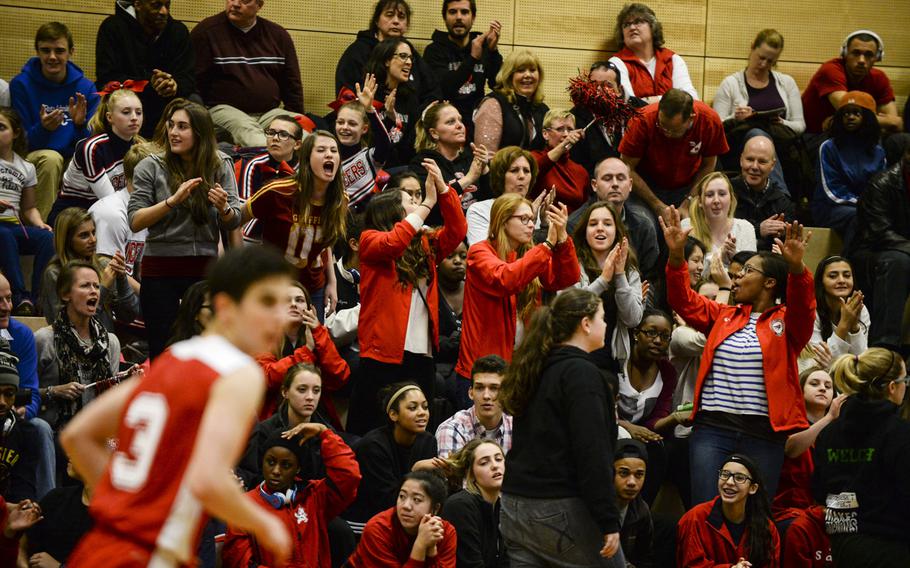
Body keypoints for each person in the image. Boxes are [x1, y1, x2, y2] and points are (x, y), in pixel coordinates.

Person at [61, 246, 295, 567]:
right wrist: (265, 523)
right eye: (266, 301)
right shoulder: (240, 373)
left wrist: (123, 503)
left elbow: (78, 435)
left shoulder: (173, 358)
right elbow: (207, 479)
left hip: (101, 547)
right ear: (225, 307)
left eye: (285, 304)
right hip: (148, 553)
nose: (281, 317)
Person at [662, 206, 815, 504]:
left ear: (769, 283)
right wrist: (676, 256)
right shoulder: (723, 314)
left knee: (754, 515)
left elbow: (804, 306)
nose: (737, 278)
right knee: (706, 510)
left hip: (764, 435)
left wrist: (797, 268)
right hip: (713, 429)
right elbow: (681, 299)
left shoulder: (788, 322)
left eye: (747, 272)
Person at [498, 288, 623, 566]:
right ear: (586, 324)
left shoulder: (534, 366)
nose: (606, 325)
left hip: (514, 506)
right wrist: (607, 518)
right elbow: (592, 452)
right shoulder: (582, 374)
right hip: (557, 507)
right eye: (603, 318)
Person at [347, 161, 467, 435]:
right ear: (392, 211)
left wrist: (444, 191)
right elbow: (393, 243)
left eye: (417, 199)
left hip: (421, 353)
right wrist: (427, 205)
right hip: (383, 354)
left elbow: (458, 231)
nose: (417, 202)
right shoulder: (369, 240)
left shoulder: (424, 244)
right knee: (374, 427)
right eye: (409, 200)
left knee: (417, 430)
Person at [129, 98, 241, 359]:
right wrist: (172, 201)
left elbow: (234, 219)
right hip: (160, 270)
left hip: (204, 270)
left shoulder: (219, 164)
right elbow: (135, 220)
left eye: (182, 127)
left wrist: (223, 208)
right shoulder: (151, 166)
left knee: (206, 350)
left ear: (199, 133)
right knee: (162, 351)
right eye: (171, 126)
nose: (173, 133)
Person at [456, 193, 580, 407]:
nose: (531, 225)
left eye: (532, 219)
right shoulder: (479, 252)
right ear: (503, 221)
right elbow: (506, 279)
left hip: (517, 368)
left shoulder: (525, 254)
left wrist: (562, 241)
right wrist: (548, 245)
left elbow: (563, 278)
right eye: (524, 219)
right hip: (481, 371)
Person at [813, 348, 910, 567]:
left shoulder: (829, 433)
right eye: (905, 380)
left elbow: (820, 491)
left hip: (841, 545)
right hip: (892, 546)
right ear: (893, 387)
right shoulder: (900, 434)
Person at [223, 424, 361, 568]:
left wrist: (325, 434)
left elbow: (349, 476)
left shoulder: (314, 495)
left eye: (286, 465)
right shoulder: (244, 506)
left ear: (298, 468)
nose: (276, 471)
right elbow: (238, 561)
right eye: (270, 462)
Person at [244, 130, 346, 322]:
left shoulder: (340, 200)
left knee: (312, 346)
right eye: (322, 150)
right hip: (273, 282)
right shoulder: (277, 191)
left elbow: (325, 241)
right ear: (307, 159)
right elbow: (233, 220)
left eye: (334, 150)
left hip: (313, 285)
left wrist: (332, 282)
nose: (329, 154)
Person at [10, 22, 101, 219]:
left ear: (71, 52)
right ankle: (43, 233)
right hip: (33, 157)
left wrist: (78, 127)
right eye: (45, 50)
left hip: (71, 156)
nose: (52, 57)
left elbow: (90, 147)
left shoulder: (86, 88)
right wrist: (44, 129)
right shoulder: (21, 85)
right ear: (37, 51)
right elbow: (18, 144)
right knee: (51, 159)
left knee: (87, 164)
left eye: (59, 51)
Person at [191, 0, 305, 147]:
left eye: (244, 0)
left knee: (307, 139)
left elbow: (292, 85)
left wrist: (294, 119)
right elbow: (193, 83)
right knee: (251, 134)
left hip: (268, 113)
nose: (236, 4)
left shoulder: (278, 35)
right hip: (222, 110)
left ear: (259, 5)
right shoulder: (206, 32)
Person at [713, 29, 806, 196]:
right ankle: (780, 197)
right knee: (757, 133)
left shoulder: (787, 83)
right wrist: (736, 117)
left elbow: (800, 125)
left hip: (780, 144)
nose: (763, 64)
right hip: (740, 146)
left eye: (770, 61)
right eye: (761, 58)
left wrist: (781, 122)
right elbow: (715, 125)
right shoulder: (730, 83)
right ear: (752, 49)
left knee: (766, 139)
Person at [35, 260, 124, 435]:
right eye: (85, 286)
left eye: (96, 286)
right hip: (56, 432)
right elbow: (23, 393)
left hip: (96, 432)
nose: (93, 291)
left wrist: (125, 382)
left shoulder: (110, 342)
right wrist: (53, 391)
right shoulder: (44, 339)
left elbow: (109, 398)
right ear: (65, 294)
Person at [343, 383, 438, 535]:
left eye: (425, 407)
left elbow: (428, 494)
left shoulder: (428, 441)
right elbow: (387, 501)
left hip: (406, 514)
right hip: (366, 520)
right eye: (413, 408)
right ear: (393, 414)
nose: (422, 413)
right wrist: (415, 471)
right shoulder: (373, 445)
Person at [95, 0, 196, 139]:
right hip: (127, 101)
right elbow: (106, 77)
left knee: (195, 103)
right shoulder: (112, 27)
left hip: (167, 105)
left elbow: (188, 77)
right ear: (137, 4)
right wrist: (150, 83)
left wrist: (174, 85)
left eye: (167, 6)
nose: (164, 12)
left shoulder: (178, 31)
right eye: (156, 5)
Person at [619, 89, 728, 217]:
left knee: (700, 223)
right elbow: (626, 166)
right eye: (661, 126)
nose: (666, 132)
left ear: (691, 118)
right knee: (645, 224)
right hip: (647, 187)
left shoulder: (709, 120)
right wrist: (657, 205)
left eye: (673, 130)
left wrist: (689, 202)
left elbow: (708, 165)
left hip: (689, 186)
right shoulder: (642, 120)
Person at [50, 83, 145, 223]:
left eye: (138, 112)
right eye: (126, 112)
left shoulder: (140, 147)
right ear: (109, 117)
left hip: (110, 216)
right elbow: (110, 201)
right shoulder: (92, 148)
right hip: (72, 218)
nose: (134, 117)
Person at [849, 142, 910, 351]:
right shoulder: (881, 184)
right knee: (898, 262)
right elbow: (880, 233)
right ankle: (885, 346)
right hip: (871, 252)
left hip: (902, 250)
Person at [41, 207, 140, 331]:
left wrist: (122, 280)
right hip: (72, 348)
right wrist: (102, 288)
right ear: (67, 240)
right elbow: (69, 325)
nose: (93, 240)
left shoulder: (102, 266)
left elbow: (128, 316)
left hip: (106, 344)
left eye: (93, 232)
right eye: (84, 236)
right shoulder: (55, 273)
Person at [677, 453, 780, 568]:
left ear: (753, 488)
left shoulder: (767, 528)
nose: (730, 482)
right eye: (725, 475)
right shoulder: (695, 518)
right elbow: (691, 565)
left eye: (739, 477)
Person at [571, 201, 643, 364]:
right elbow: (570, 310)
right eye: (593, 224)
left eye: (608, 223)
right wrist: (603, 280)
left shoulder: (629, 271)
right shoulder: (573, 266)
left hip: (612, 361)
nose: (600, 228)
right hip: (576, 356)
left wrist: (619, 275)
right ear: (585, 231)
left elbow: (632, 319)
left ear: (617, 231)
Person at [811, 91, 885, 249]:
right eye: (846, 114)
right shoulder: (828, 147)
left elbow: (881, 188)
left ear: (868, 117)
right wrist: (863, 205)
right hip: (831, 208)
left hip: (866, 207)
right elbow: (832, 191)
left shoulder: (878, 151)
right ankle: (850, 264)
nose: (850, 117)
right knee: (858, 217)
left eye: (856, 113)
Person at [334, 0, 439, 110]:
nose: (396, 21)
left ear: (407, 25)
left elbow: (433, 91)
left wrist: (418, 116)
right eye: (389, 15)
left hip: (405, 121)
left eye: (401, 17)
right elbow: (345, 94)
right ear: (376, 20)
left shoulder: (412, 55)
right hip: (366, 117)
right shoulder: (358, 51)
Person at [569, 157, 659, 283]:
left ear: (630, 185)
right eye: (607, 178)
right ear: (594, 185)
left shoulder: (643, 224)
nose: (615, 184)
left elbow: (651, 278)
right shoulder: (576, 224)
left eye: (621, 178)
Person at [0, 107, 54, 316]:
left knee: (47, 238)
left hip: (14, 225)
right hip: (2, 231)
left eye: (2, 127)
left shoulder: (26, 167)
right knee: (4, 235)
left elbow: (29, 208)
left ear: (15, 133)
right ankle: (18, 295)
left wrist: (40, 223)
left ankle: (38, 298)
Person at [346, 470, 457, 567]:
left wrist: (431, 551)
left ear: (435, 508)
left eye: (417, 500)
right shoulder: (378, 528)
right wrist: (420, 545)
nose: (406, 506)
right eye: (402, 496)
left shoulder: (445, 532)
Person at [801, 30, 901, 137]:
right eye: (856, 53)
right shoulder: (830, 70)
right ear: (845, 54)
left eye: (868, 55)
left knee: (900, 139)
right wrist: (884, 121)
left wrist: (887, 123)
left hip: (857, 134)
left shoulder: (879, 77)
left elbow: (895, 124)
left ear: (877, 57)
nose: (862, 60)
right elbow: (849, 111)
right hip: (817, 136)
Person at [423, 0, 503, 132]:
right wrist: (472, 58)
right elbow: (444, 89)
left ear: (473, 18)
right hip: (446, 126)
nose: (458, 17)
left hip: (478, 123)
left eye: (464, 12)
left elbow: (499, 86)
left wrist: (493, 51)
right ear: (444, 17)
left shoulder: (484, 47)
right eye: (453, 12)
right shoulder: (434, 51)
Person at [773, 366, 844, 515]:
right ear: (800, 390)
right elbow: (791, 449)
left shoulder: (838, 432)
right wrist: (829, 417)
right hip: (789, 510)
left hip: (827, 510)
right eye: (814, 383)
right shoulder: (789, 422)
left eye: (828, 386)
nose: (822, 389)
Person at [410, 100, 491, 217]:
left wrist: (484, 170)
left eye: (460, 120)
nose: (460, 125)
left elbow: (491, 200)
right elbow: (432, 209)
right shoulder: (423, 164)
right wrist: (469, 178)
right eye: (450, 122)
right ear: (434, 133)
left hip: (479, 225)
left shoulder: (471, 157)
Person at [89, 141, 155, 282]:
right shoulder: (112, 213)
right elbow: (107, 273)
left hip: (127, 293)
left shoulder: (147, 210)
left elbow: (137, 272)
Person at [609, 3, 698, 103]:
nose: (632, 27)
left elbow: (692, 99)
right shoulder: (616, 63)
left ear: (653, 27)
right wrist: (672, 100)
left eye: (638, 22)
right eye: (626, 25)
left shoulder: (672, 59)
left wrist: (650, 100)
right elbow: (630, 104)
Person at [235, 114, 304, 244]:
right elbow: (242, 214)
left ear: (297, 144)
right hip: (253, 239)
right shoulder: (253, 165)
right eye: (271, 133)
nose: (275, 139)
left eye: (283, 134)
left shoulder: (304, 171)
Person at [570, 61, 647, 176]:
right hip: (592, 184)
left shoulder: (640, 110)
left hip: (635, 180)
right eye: (594, 85)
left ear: (619, 89)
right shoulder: (577, 115)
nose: (600, 92)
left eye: (607, 86)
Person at [441, 439, 507, 568]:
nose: (495, 465)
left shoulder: (502, 507)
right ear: (471, 473)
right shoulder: (460, 506)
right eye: (484, 462)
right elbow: (470, 564)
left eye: (498, 459)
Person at [363, 38, 426, 167]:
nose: (409, 62)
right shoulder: (369, 93)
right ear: (386, 60)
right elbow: (366, 142)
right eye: (403, 56)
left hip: (399, 169)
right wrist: (388, 119)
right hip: (370, 167)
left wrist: (395, 122)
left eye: (410, 58)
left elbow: (410, 147)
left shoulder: (410, 97)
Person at [681, 172, 758, 276]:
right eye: (709, 195)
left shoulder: (745, 228)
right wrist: (719, 257)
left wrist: (735, 257)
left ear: (731, 198)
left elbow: (751, 276)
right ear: (700, 201)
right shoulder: (687, 227)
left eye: (722, 194)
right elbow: (687, 276)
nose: (716, 200)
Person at [435, 355, 512, 459]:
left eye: (494, 388)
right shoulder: (452, 429)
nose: (486, 396)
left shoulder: (516, 427)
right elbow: (453, 475)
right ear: (471, 393)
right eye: (479, 388)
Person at [473, 48, 549, 153]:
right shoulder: (493, 104)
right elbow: (485, 156)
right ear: (509, 76)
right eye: (521, 70)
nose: (527, 75)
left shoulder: (543, 109)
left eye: (532, 70)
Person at [334, 78, 393, 213]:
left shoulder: (370, 157)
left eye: (352, 124)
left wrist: (370, 111)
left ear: (364, 129)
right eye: (340, 122)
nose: (345, 127)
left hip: (367, 223)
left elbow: (385, 144)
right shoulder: (328, 156)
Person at [801, 256, 869, 371]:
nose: (842, 280)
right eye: (833, 276)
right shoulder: (811, 309)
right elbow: (818, 363)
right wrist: (844, 324)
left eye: (847, 275)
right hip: (814, 376)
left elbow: (861, 362)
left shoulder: (860, 308)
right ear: (821, 281)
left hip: (847, 375)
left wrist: (854, 327)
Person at [729, 136, 796, 251]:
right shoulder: (725, 192)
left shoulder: (782, 202)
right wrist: (758, 229)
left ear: (773, 165)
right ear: (741, 160)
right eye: (750, 159)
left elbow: (785, 247)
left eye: (762, 161)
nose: (754, 167)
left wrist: (781, 234)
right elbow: (717, 231)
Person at [24, 460, 94, 568]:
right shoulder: (56, 498)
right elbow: (24, 543)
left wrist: (60, 567)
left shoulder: (117, 517)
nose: (69, 454)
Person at [465, 146, 537, 246]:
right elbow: (481, 254)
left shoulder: (536, 211)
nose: (522, 176)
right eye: (514, 170)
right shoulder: (479, 210)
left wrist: (543, 225)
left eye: (526, 171)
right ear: (500, 176)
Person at [0, 339, 40, 502]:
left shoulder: (26, 432)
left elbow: (24, 486)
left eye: (9, 394)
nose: (2, 402)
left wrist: (23, 508)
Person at [530, 109, 589, 213]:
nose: (566, 134)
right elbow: (535, 171)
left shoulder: (581, 171)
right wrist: (563, 145)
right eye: (560, 129)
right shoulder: (534, 158)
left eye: (570, 129)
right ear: (545, 134)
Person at [613, 439, 654, 568]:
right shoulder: (589, 508)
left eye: (639, 475)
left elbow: (644, 558)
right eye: (624, 473)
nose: (632, 482)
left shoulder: (641, 510)